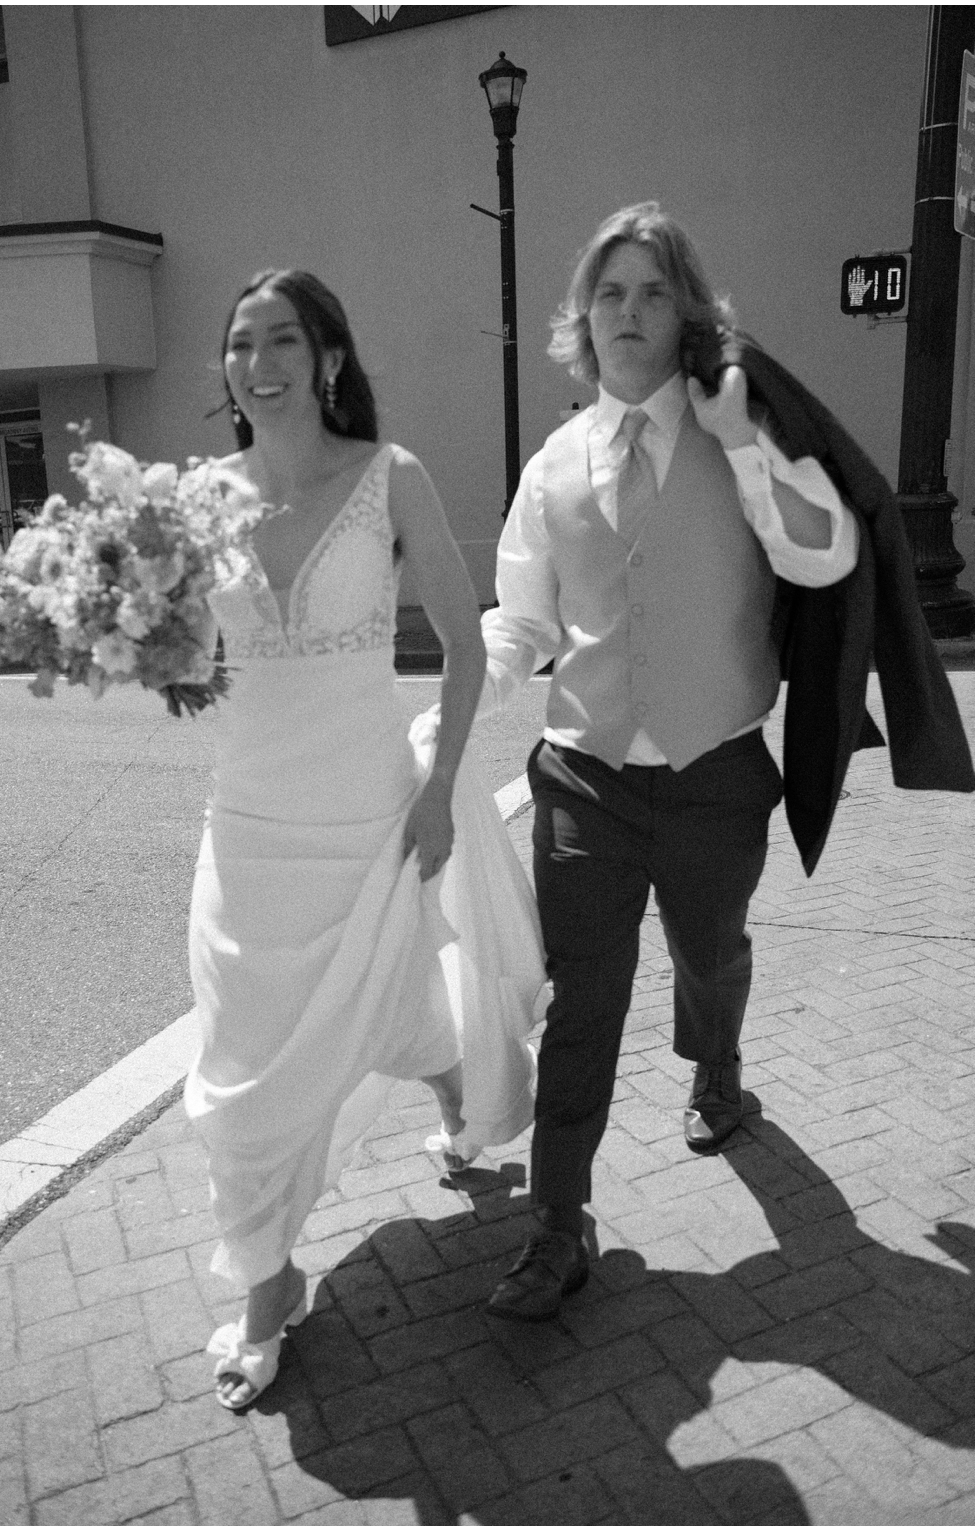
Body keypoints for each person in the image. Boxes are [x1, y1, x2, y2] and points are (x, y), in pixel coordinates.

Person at [480, 202, 866, 1322]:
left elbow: (824, 548)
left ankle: (717, 1065)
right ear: (582, 319)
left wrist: (742, 440)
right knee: (584, 1001)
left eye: (653, 292)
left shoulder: (734, 429)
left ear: (686, 311)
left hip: (715, 772)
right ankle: (557, 1225)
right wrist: (468, 689)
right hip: (584, 778)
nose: (630, 313)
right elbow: (522, 615)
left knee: (710, 952)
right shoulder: (554, 462)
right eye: (610, 293)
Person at [184, 269, 544, 1408]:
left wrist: (442, 788)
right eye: (240, 345)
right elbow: (185, 660)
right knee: (241, 1068)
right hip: (246, 826)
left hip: (367, 811)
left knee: (387, 995)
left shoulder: (389, 479)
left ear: (327, 357)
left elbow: (466, 641)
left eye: (281, 338)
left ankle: (450, 1091)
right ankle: (269, 1284)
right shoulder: (200, 500)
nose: (258, 362)